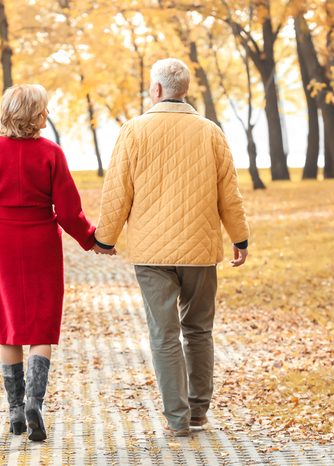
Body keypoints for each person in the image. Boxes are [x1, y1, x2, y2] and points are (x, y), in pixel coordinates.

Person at [95, 58, 250, 437]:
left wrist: (105, 238)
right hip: (200, 249)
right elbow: (228, 192)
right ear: (185, 90)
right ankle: (199, 411)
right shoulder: (210, 131)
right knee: (199, 330)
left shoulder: (133, 131)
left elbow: (118, 191)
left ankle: (177, 419)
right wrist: (239, 237)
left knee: (164, 335)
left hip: (152, 254)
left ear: (158, 89)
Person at [0, 84, 113, 441]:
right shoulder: (51, 153)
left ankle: (15, 412)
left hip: (2, 240)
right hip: (41, 240)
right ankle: (34, 402)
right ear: (38, 114)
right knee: (41, 327)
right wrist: (91, 240)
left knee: (8, 325)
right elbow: (69, 210)